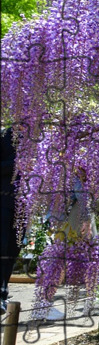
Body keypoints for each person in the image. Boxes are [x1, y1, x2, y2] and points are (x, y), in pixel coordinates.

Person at [31, 166, 99, 321]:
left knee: (61, 258)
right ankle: (45, 305)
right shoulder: (76, 158)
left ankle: (45, 304)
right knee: (85, 257)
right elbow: (82, 192)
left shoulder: (58, 161)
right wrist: (87, 219)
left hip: (61, 216)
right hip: (75, 217)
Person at [0, 127, 21, 315]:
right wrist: (16, 164)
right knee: (2, 246)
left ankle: (3, 292)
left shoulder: (39, 138)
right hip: (3, 201)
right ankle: (1, 294)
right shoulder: (4, 136)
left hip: (24, 205)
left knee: (13, 250)